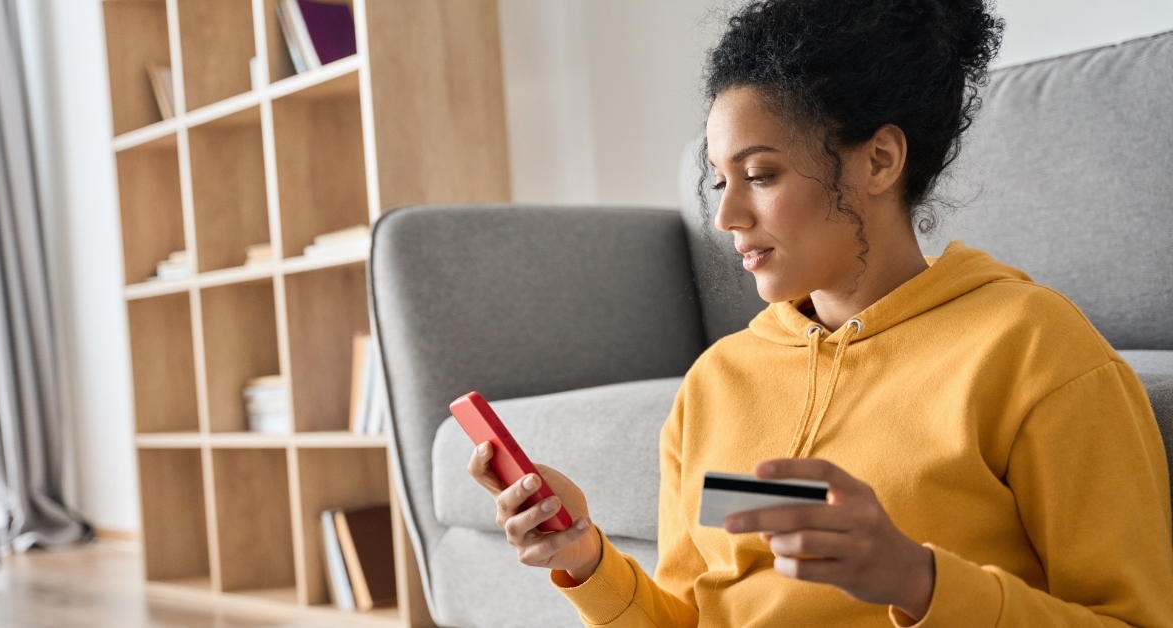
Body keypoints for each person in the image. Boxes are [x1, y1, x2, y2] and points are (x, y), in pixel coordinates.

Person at [468, 0, 1173, 625]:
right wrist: (586, 557)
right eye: (719, 180)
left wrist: (921, 584)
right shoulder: (716, 383)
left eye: (761, 175)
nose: (724, 215)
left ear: (880, 160)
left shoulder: (1035, 350)